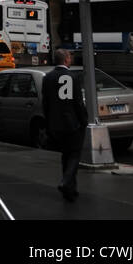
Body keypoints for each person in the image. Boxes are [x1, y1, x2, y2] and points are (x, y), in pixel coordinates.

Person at [41, 48, 86, 202]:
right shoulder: (73, 77)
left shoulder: (48, 78)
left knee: (65, 155)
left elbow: (45, 103)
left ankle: (71, 190)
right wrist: (83, 120)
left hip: (55, 124)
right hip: (71, 123)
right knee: (74, 154)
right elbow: (78, 103)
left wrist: (48, 123)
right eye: (70, 57)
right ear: (66, 59)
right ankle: (66, 182)